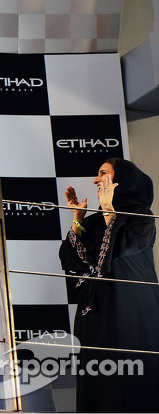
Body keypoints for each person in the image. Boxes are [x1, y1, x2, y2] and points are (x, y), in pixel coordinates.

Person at [60, 158, 159, 412]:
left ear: (121, 181)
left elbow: (118, 249)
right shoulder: (93, 221)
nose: (95, 180)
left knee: (129, 382)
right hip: (96, 316)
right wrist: (78, 219)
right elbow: (71, 259)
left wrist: (109, 213)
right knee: (98, 383)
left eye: (103, 173)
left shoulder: (141, 218)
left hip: (129, 312)